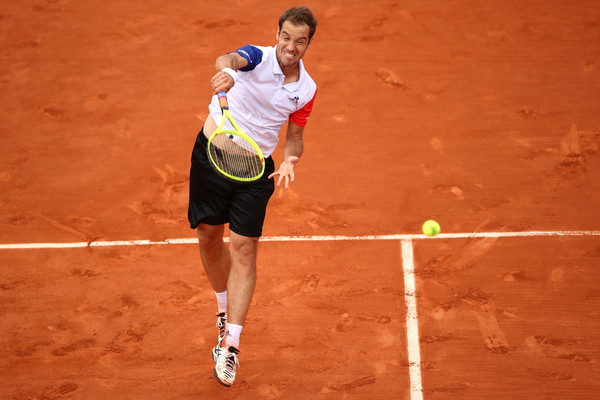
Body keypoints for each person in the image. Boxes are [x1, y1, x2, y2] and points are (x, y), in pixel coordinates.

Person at [187, 6, 318, 387]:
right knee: (209, 240)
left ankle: (230, 346)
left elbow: (294, 137)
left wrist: (291, 159)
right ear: (277, 33)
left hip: (255, 171)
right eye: (287, 37)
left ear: (308, 43)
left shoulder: (305, 90)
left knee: (244, 249)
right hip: (212, 155)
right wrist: (227, 71)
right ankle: (223, 311)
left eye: (300, 41)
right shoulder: (256, 58)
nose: (291, 47)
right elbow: (229, 58)